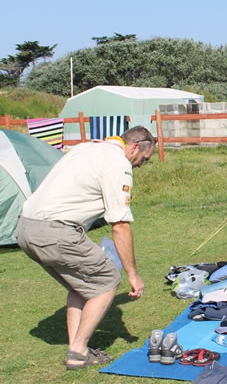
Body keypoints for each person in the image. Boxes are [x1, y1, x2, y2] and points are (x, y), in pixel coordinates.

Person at [16, 126, 156, 370]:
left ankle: (76, 349)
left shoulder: (86, 148)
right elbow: (120, 224)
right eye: (143, 159)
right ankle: (78, 352)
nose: (141, 165)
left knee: (80, 285)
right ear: (134, 147)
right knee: (107, 281)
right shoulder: (117, 162)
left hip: (25, 228)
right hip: (56, 231)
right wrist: (133, 274)